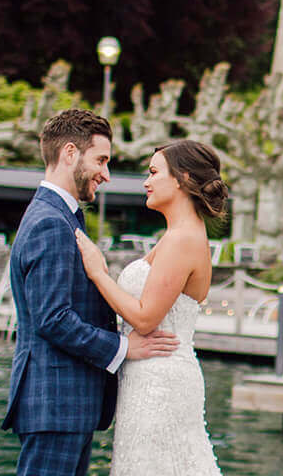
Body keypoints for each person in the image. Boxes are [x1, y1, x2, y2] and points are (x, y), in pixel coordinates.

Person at [3, 110, 179, 476]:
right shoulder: (51, 222)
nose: (106, 173)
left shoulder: (60, 217)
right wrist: (124, 348)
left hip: (65, 405)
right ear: (70, 153)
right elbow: (53, 318)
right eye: (100, 159)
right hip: (56, 403)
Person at [75, 139, 229, 476]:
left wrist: (99, 273)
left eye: (153, 172)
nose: (146, 181)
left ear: (181, 179)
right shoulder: (178, 235)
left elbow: (145, 318)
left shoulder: (182, 239)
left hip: (160, 382)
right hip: (152, 375)